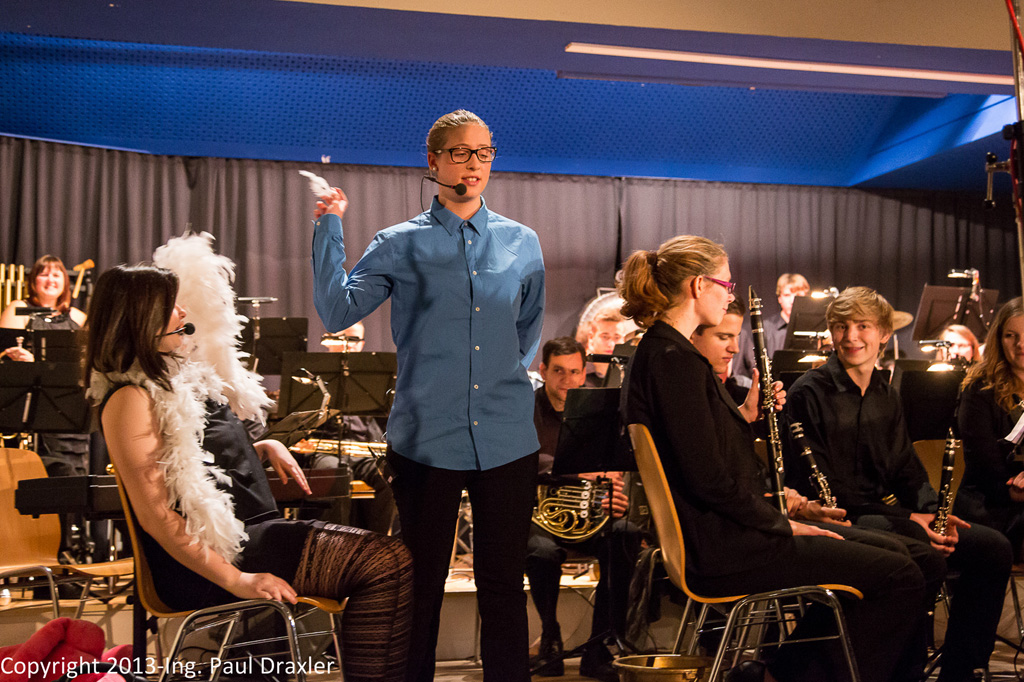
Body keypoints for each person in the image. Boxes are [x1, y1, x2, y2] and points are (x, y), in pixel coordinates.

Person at [620, 237, 926, 682]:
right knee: (900, 573)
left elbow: (704, 454)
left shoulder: (665, 353)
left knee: (898, 553)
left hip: (726, 536)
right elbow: (708, 479)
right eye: (727, 284)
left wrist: (744, 419)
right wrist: (781, 523)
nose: (730, 294)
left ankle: (782, 672)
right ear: (699, 286)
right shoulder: (674, 360)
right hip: (723, 549)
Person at [87, 264, 413, 682]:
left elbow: (196, 459)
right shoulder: (130, 398)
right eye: (171, 306)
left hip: (253, 534)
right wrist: (237, 579)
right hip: (216, 559)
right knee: (386, 562)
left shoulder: (177, 378)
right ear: (140, 318)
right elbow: (157, 515)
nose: (182, 311)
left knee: (389, 560)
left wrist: (257, 448)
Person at [310, 109, 545, 682]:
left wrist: (499, 379)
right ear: (434, 161)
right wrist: (329, 227)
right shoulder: (399, 242)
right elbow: (338, 310)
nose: (473, 164)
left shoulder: (522, 241)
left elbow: (527, 328)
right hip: (426, 439)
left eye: (484, 152)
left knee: (502, 586)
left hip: (507, 437)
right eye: (460, 152)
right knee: (421, 587)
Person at [784, 286, 1012, 682]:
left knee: (993, 548)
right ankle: (901, 670)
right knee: (919, 549)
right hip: (838, 518)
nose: (850, 337)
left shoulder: (886, 393)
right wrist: (911, 519)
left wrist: (934, 514)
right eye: (840, 326)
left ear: (884, 333)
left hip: (883, 515)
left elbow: (906, 468)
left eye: (862, 326)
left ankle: (960, 670)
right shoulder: (808, 392)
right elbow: (829, 489)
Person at [527, 337, 641, 682]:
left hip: (589, 514)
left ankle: (598, 646)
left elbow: (612, 462)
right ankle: (550, 636)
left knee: (625, 535)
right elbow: (525, 459)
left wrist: (612, 492)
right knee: (541, 552)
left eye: (575, 372)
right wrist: (574, 470)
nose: (568, 380)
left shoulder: (598, 410)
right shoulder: (525, 408)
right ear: (543, 370)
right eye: (559, 371)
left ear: (583, 372)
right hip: (539, 516)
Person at [305, 320, 398, 535]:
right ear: (329, 340)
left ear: (362, 343)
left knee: (388, 475)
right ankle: (336, 544)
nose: (349, 343)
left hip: (360, 449)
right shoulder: (312, 372)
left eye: (355, 339)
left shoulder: (370, 375)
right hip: (323, 449)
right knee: (336, 474)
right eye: (343, 337)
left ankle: (375, 543)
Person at [956, 298, 1024, 559]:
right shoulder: (980, 390)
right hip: (992, 504)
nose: (1020, 344)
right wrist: (1014, 490)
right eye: (1011, 335)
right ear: (998, 339)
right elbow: (985, 466)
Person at [735, 273, 810, 380]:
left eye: (798, 295)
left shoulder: (815, 330)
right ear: (779, 298)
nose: (793, 301)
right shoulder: (765, 329)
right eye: (787, 295)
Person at [584, 308, 626, 387]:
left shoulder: (628, 376)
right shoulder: (579, 373)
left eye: (617, 337)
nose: (611, 344)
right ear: (591, 337)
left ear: (623, 339)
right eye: (605, 337)